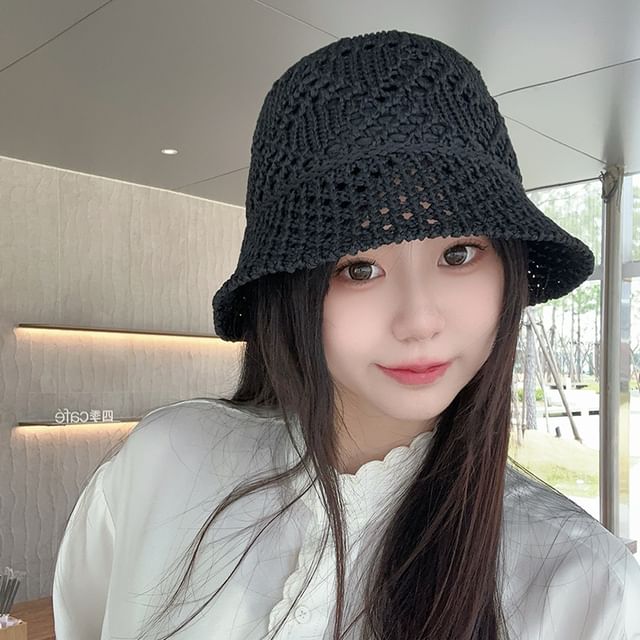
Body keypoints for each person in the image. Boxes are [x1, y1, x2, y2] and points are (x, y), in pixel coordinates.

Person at [52, 30, 640, 640]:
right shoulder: (163, 465)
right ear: (290, 291)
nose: (419, 319)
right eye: (359, 268)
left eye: (460, 253)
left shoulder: (582, 588)